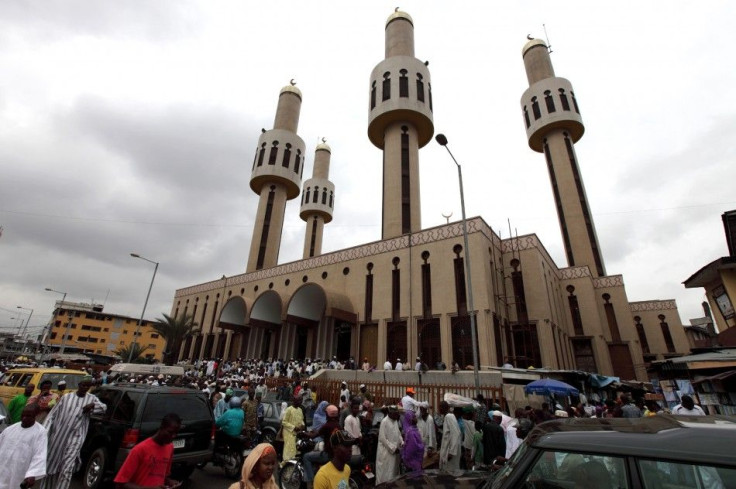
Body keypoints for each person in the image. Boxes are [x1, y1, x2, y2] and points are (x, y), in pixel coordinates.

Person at [42, 376, 107, 489]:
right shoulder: (66, 397)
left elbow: (104, 408)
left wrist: (93, 406)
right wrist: (44, 432)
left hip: (76, 437)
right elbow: (52, 415)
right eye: (83, 385)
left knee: (67, 468)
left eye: (88, 386)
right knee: (51, 468)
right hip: (58, 437)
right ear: (79, 385)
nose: (85, 387)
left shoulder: (92, 398)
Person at [113, 413, 182, 488]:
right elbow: (120, 483)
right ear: (161, 427)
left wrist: (169, 481)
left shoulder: (170, 447)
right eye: (170, 432)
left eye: (176, 433)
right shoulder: (140, 449)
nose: (173, 436)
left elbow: (161, 475)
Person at [0, 404, 47, 489]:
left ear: (36, 416)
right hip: (3, 468)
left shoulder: (40, 432)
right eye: (23, 415)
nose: (24, 418)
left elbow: (40, 454)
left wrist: (32, 474)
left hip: (20, 471)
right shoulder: (11, 429)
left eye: (28, 416)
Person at [376, 406, 403, 484]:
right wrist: (394, 448)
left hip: (394, 453)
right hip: (386, 453)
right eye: (396, 414)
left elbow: (398, 434)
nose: (397, 415)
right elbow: (383, 439)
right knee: (385, 475)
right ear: (390, 413)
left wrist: (402, 442)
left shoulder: (395, 421)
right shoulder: (384, 421)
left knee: (393, 474)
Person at [281, 395, 305, 462]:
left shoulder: (300, 410)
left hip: (297, 433)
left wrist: (302, 425)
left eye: (301, 400)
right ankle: (286, 464)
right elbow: (284, 422)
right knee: (289, 449)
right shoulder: (289, 409)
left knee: (296, 449)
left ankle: (293, 464)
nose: (301, 402)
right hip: (289, 432)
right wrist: (294, 427)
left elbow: (301, 420)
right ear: (294, 401)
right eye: (299, 400)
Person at [439, 401, 461, 471]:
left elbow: (456, 433)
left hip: (450, 452)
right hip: (447, 450)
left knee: (450, 473)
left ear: (444, 408)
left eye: (440, 407)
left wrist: (451, 452)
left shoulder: (449, 416)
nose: (439, 409)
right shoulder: (448, 417)